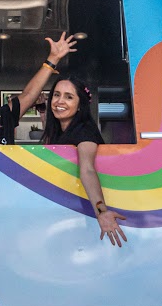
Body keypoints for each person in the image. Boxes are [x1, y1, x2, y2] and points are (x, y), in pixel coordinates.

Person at [41, 76, 128, 247]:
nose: (60, 101)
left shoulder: (85, 132)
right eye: (56, 95)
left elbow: (87, 170)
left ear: (80, 105)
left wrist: (102, 212)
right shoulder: (61, 129)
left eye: (69, 97)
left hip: (85, 212)